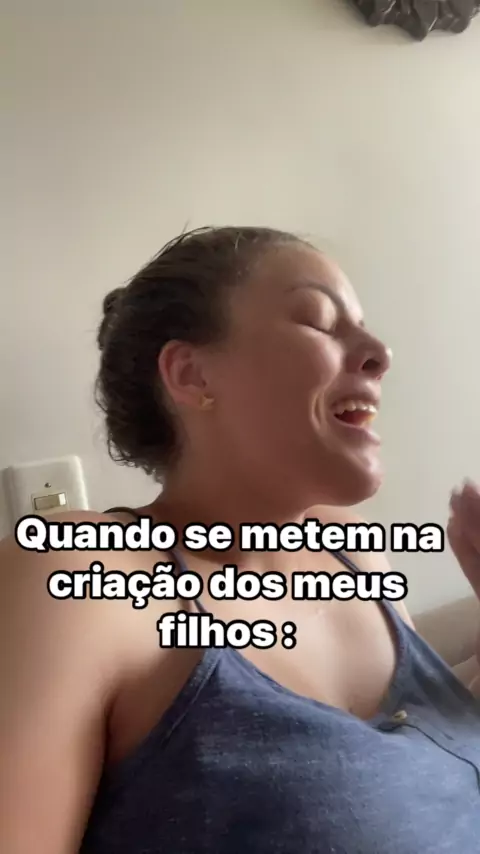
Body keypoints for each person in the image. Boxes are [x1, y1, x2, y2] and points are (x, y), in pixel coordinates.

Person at [1, 225, 480, 854]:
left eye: (362, 327)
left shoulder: (351, 551)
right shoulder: (78, 576)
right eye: (318, 320)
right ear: (191, 374)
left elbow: (429, 776)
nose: (379, 353)